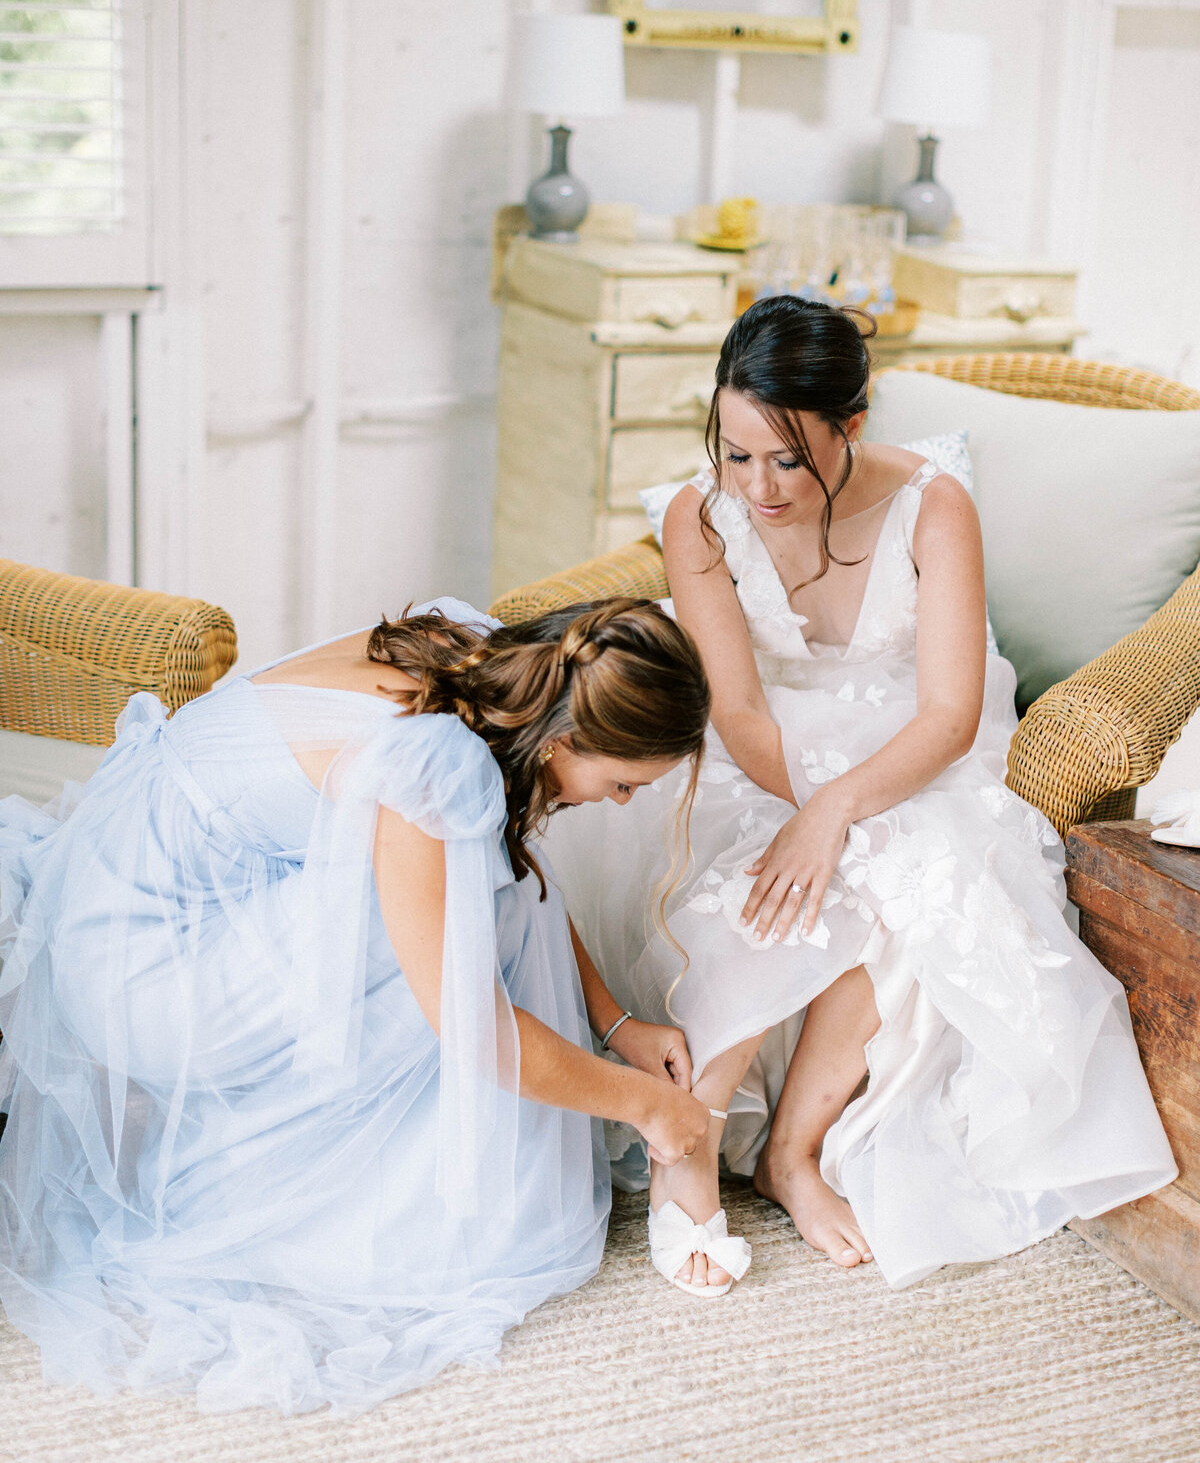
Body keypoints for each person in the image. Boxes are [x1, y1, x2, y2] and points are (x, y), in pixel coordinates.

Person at [545, 296, 1177, 1299]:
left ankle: (790, 1152)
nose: (758, 487)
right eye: (736, 452)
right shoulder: (699, 517)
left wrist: (841, 811)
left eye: (787, 459)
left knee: (910, 866)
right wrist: (803, 810)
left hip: (914, 752)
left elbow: (950, 713)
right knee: (766, 885)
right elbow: (743, 712)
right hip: (762, 750)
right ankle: (691, 1147)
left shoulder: (935, 505)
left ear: (853, 423)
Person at [0, 595, 713, 1415]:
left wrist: (615, 1022)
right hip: (149, 975)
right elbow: (473, 1029)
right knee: (449, 932)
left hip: (138, 896)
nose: (618, 802)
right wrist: (653, 1110)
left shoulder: (478, 658)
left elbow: (515, 872)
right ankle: (301, 1182)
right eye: (622, 782)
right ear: (562, 739)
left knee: (473, 887)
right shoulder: (432, 766)